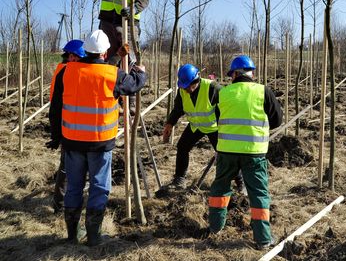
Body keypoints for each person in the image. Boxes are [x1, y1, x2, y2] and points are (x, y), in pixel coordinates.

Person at [47, 29, 147, 246]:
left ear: (86, 51)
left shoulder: (67, 72)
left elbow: (55, 108)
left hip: (72, 142)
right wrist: (141, 71)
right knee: (99, 187)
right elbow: (135, 84)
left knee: (73, 187)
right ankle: (94, 236)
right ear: (104, 53)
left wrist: (56, 136)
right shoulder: (113, 75)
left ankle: (72, 235)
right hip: (100, 144)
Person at [207, 55, 282, 250]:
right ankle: (263, 239)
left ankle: (214, 229)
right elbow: (277, 121)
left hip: (226, 152)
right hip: (254, 153)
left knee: (220, 188)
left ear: (233, 75)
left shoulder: (222, 93)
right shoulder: (263, 91)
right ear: (252, 73)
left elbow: (218, 118)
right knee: (258, 193)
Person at [162, 64, 245, 192]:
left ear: (197, 80)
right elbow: (178, 109)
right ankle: (179, 179)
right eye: (184, 87)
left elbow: (225, 108)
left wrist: (226, 131)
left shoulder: (212, 88)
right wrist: (170, 123)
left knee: (226, 154)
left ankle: (240, 182)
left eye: (190, 86)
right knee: (182, 147)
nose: (187, 90)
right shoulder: (182, 90)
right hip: (196, 126)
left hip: (214, 127)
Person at [46, 40, 86, 214]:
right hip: (69, 129)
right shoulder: (68, 72)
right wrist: (56, 135)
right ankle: (61, 206)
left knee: (69, 169)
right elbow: (55, 108)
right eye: (72, 57)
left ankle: (63, 204)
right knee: (67, 169)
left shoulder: (64, 70)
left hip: (73, 126)